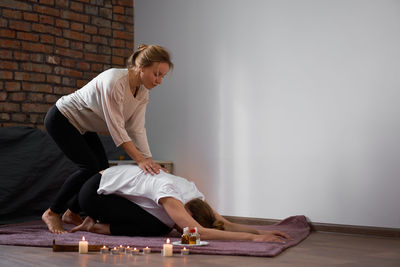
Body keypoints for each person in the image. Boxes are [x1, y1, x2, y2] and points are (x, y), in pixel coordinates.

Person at [42, 44, 173, 234]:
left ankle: (70, 212)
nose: (159, 80)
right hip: (62, 118)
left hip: (84, 126)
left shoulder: (143, 92)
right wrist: (140, 160)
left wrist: (148, 160)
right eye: (156, 74)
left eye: (163, 76)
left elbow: (137, 129)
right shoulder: (114, 81)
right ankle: (52, 212)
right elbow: (117, 129)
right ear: (141, 67)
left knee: (101, 171)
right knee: (89, 168)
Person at [70, 165, 291, 243]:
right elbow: (197, 233)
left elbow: (223, 223)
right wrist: (252, 239)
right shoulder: (171, 194)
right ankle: (94, 224)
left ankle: (95, 225)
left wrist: (260, 231)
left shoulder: (196, 196)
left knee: (160, 226)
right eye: (183, 221)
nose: (180, 229)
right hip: (95, 193)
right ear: (187, 212)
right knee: (157, 226)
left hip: (113, 194)